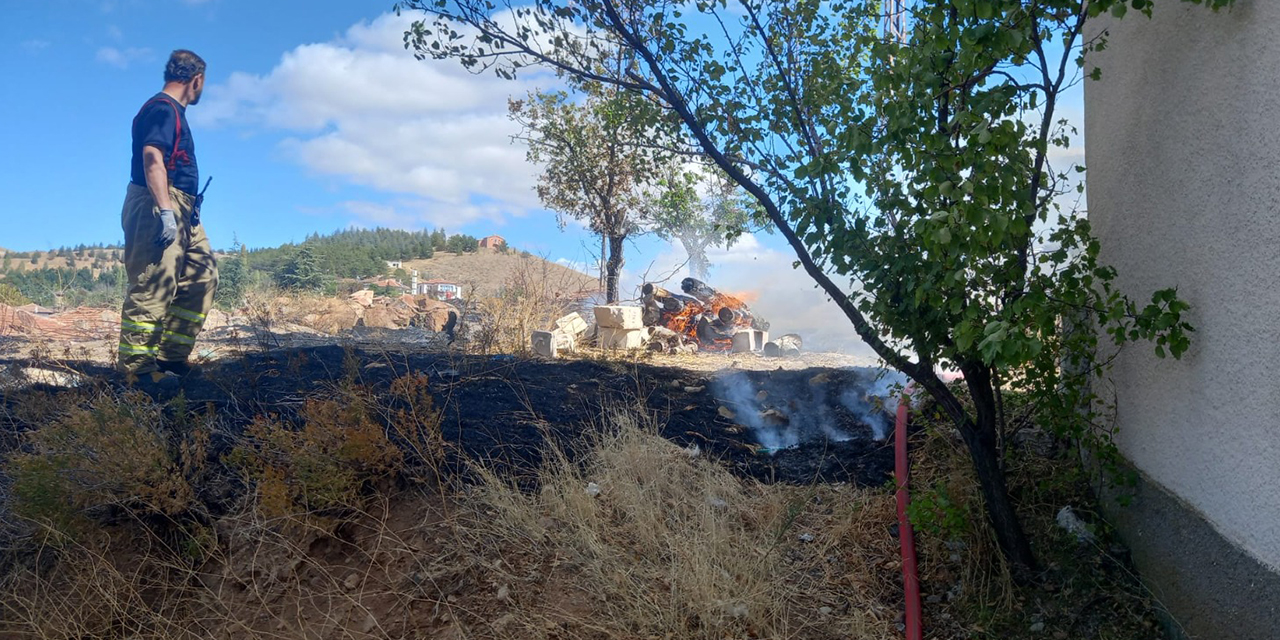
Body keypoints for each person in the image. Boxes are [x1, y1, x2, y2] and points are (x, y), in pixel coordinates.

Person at [118, 49, 218, 385]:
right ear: (197, 80)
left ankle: (170, 358)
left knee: (202, 276)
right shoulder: (162, 109)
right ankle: (137, 373)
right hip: (159, 202)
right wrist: (164, 212)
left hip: (184, 206)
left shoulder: (172, 111)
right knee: (152, 284)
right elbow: (152, 158)